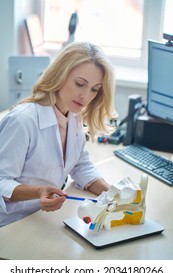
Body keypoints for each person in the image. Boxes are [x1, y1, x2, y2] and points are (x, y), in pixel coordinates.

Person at [0, 41, 117, 227]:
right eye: (80, 84)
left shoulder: (73, 116)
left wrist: (113, 195)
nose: (86, 96)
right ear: (60, 76)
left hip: (42, 219)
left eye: (95, 89)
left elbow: (80, 165)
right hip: (12, 224)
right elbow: (1, 181)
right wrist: (38, 192)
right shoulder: (23, 121)